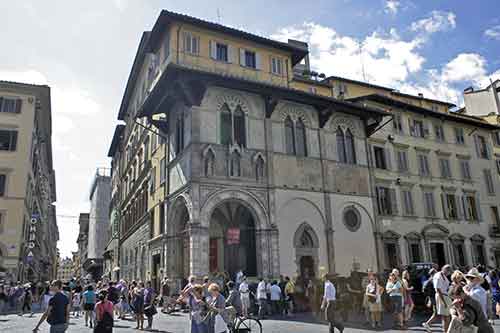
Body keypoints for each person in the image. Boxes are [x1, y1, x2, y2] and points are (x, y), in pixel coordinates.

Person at [434, 264, 453, 333]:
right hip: (442, 296)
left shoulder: (442, 275)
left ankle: (446, 331)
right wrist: (443, 301)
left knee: (446, 316)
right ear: (445, 270)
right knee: (446, 317)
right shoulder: (439, 276)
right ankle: (446, 331)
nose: (449, 273)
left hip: (445, 296)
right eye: (449, 271)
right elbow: (438, 289)